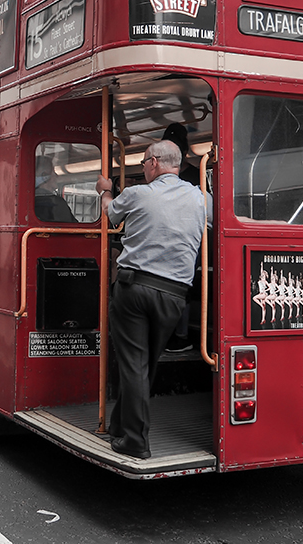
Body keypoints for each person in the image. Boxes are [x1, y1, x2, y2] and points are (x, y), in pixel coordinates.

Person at [95, 140, 209, 459]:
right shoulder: (200, 198)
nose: (143, 168)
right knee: (145, 365)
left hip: (134, 289)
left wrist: (105, 189)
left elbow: (110, 213)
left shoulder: (137, 194)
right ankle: (121, 424)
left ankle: (135, 440)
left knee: (133, 364)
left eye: (144, 162)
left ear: (154, 163)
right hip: (174, 296)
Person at [161, 123, 200, 352]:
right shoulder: (196, 176)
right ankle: (177, 335)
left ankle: (178, 335)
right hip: (187, 242)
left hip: (178, 241)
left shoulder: (161, 181)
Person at [34, 155, 77, 223]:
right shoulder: (57, 203)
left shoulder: (29, 200)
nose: (57, 175)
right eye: (53, 172)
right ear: (44, 176)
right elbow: (75, 228)